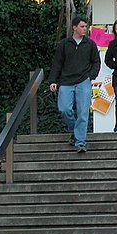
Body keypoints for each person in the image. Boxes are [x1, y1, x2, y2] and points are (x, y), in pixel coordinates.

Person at [48, 16, 101, 153]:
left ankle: (80, 142)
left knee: (83, 112)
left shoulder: (90, 44)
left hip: (83, 81)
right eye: (82, 26)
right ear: (74, 27)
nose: (84, 29)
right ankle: (75, 131)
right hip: (66, 82)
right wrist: (53, 80)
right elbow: (57, 63)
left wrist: (91, 76)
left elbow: (96, 62)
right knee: (64, 109)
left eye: (85, 26)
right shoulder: (65, 44)